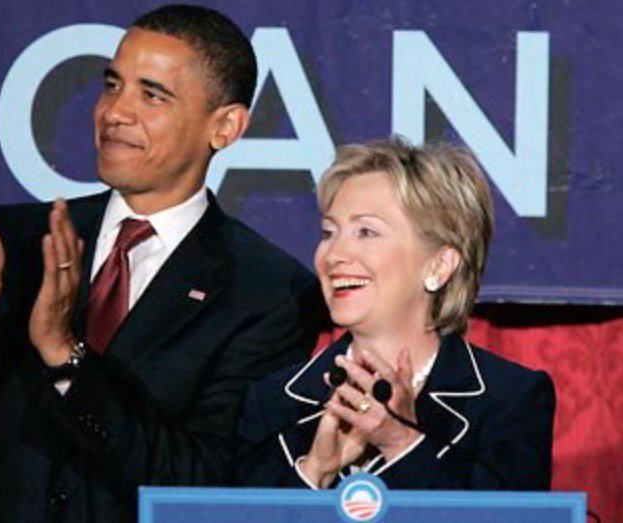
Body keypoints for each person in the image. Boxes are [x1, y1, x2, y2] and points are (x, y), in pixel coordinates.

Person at [0, 5, 326, 521]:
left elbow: (204, 484)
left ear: (225, 126)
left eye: (152, 95)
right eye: (112, 85)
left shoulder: (267, 292)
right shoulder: (20, 243)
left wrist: (66, 358)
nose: (115, 112)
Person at [237, 138, 555, 491]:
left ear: (439, 265)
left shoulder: (508, 400)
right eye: (329, 233)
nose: (333, 255)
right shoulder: (274, 401)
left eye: (366, 232)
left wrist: (402, 445)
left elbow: (503, 515)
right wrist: (314, 473)